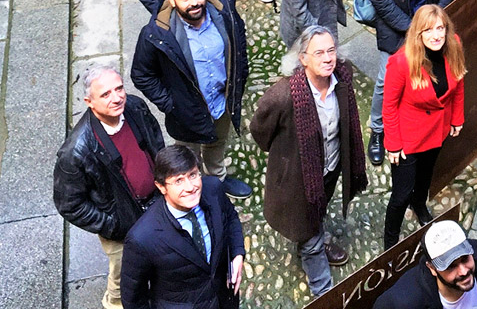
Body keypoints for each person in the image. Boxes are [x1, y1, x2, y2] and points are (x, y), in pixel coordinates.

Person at [250, 26, 369, 296]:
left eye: (331, 51)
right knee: (308, 229)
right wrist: (285, 156)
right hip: (298, 179)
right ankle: (321, 288)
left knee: (317, 212)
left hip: (329, 170)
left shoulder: (343, 79)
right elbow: (259, 130)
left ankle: (310, 237)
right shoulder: (284, 96)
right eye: (319, 53)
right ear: (303, 58)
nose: (328, 58)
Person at [131, 0, 252, 199]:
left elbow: (240, 48)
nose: (194, 2)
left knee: (217, 143)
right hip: (186, 112)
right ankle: (194, 192)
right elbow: (141, 74)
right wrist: (171, 103)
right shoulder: (157, 33)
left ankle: (218, 180)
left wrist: (238, 84)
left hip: (222, 102)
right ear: (172, 0)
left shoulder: (223, 13)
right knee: (188, 155)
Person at [53, 66, 165, 309]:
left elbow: (156, 141)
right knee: (123, 276)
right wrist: (114, 225)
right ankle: (114, 304)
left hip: (156, 205)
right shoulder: (75, 151)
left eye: (119, 88)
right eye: (105, 94)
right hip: (121, 230)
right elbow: (69, 205)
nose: (116, 98)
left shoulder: (134, 107)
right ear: (89, 102)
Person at [368, 0, 464, 166]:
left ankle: (426, 125)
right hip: (397, 26)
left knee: (434, 76)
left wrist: (432, 24)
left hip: (432, 25)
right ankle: (377, 131)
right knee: (386, 82)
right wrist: (412, 29)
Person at [382, 5, 466, 249]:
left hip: (437, 131)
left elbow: (459, 82)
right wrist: (393, 144)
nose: (436, 35)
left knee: (426, 176)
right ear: (417, 34)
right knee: (400, 195)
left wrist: (457, 118)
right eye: (428, 30)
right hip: (408, 139)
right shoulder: (401, 62)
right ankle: (390, 242)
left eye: (440, 28)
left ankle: (419, 205)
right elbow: (389, 106)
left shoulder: (454, 45)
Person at [121, 146, 245, 309]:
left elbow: (230, 218)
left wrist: (237, 253)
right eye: (178, 180)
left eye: (193, 175)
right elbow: (133, 300)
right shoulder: (142, 238)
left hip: (224, 299)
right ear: (161, 187)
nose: (190, 187)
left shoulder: (214, 190)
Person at [373, 220, 477, 309]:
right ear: (432, 268)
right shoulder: (405, 301)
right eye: (450, 266)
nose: (463, 271)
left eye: (465, 259)